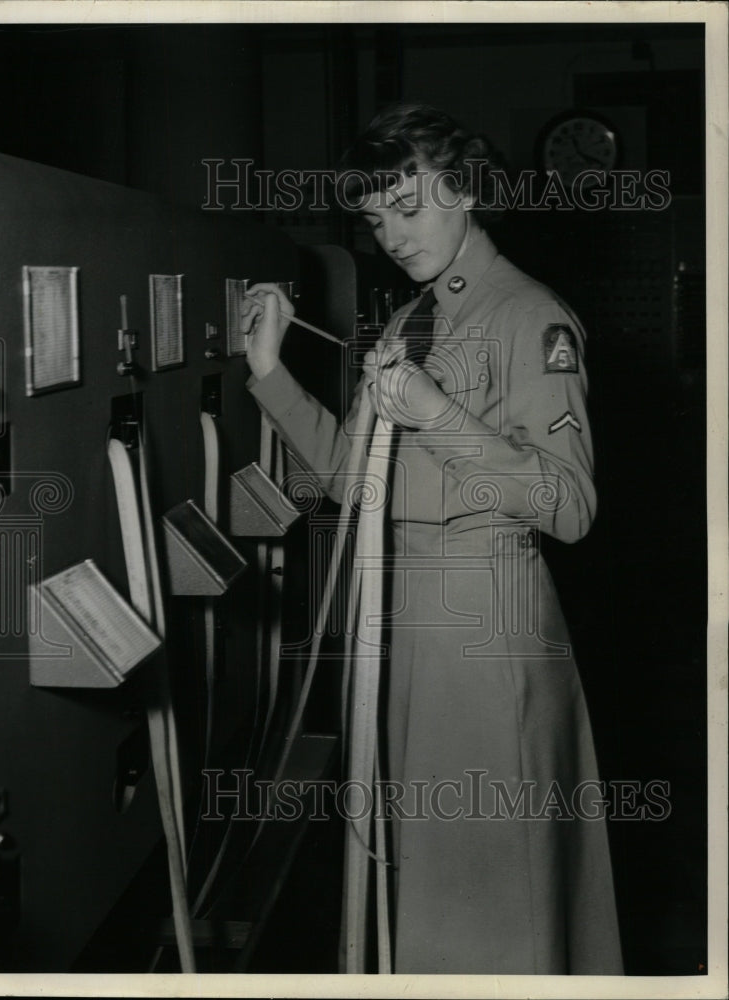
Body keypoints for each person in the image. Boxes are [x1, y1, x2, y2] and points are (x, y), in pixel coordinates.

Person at [240, 103, 623, 975]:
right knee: (431, 885)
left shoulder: (529, 315)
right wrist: (269, 374)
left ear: (466, 190)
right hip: (411, 622)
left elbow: (568, 505)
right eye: (374, 219)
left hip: (488, 626)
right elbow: (357, 479)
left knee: (499, 893)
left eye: (407, 208)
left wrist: (439, 416)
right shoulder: (417, 314)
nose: (390, 235)